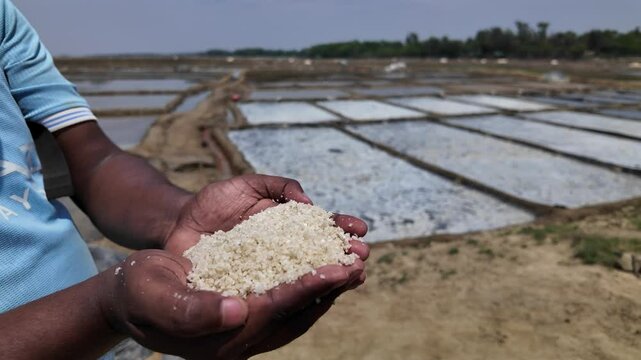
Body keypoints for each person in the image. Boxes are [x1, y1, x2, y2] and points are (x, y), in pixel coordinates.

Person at [0, 1, 369, 358]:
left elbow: (95, 161)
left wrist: (180, 216)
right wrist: (103, 309)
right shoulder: (105, 309)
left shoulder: (3, 16)